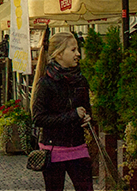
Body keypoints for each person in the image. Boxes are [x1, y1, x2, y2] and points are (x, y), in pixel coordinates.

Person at [31, 32, 93, 191]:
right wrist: (72, 115)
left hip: (78, 148)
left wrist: (87, 118)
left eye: (77, 50)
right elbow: (39, 118)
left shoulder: (81, 80)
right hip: (54, 151)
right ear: (59, 55)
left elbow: (87, 109)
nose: (78, 54)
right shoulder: (46, 83)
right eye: (73, 50)